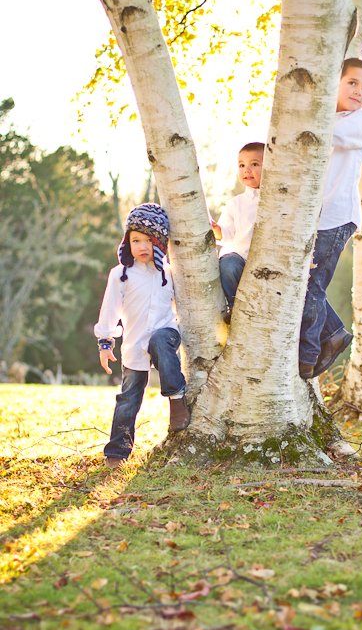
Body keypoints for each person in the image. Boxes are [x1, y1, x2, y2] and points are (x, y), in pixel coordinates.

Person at [95, 202, 189, 469]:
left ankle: (176, 399)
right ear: (127, 242)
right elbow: (109, 310)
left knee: (159, 340)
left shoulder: (170, 274)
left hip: (166, 335)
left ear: (160, 243)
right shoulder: (121, 275)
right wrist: (105, 342)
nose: (143, 246)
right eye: (136, 240)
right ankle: (117, 452)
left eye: (150, 240)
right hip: (134, 345)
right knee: (128, 399)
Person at [299, 58, 362, 380]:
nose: (359, 92)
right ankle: (335, 333)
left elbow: (330, 134)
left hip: (337, 215)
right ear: (338, 81)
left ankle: (309, 354)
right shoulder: (330, 117)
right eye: (352, 83)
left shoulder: (360, 121)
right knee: (303, 281)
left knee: (311, 283)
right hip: (315, 217)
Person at [211, 142, 264, 323]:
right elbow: (226, 235)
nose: (247, 170)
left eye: (255, 164)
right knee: (228, 263)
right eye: (242, 165)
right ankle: (236, 308)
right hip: (241, 260)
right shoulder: (237, 203)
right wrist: (217, 230)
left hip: (268, 265)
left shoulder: (278, 201)